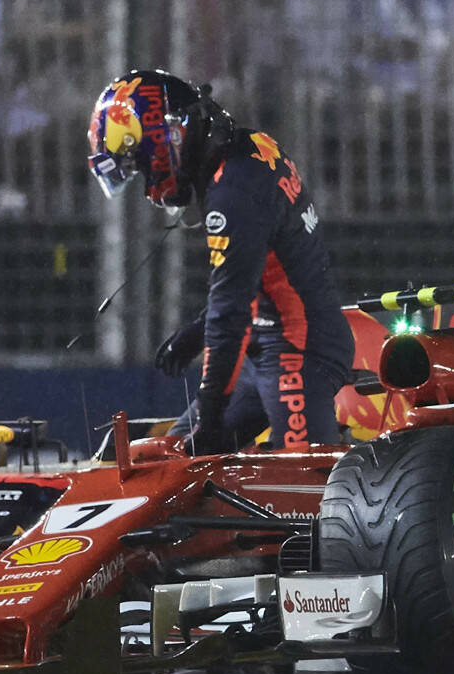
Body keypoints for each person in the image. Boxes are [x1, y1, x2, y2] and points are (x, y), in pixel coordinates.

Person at [86, 70, 353, 455]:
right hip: (267, 344)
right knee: (172, 462)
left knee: (304, 481)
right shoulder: (246, 148)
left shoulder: (232, 192)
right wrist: (199, 330)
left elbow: (231, 312)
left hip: (299, 350)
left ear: (165, 140)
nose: (147, 185)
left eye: (141, 166)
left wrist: (210, 416)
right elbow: (254, 275)